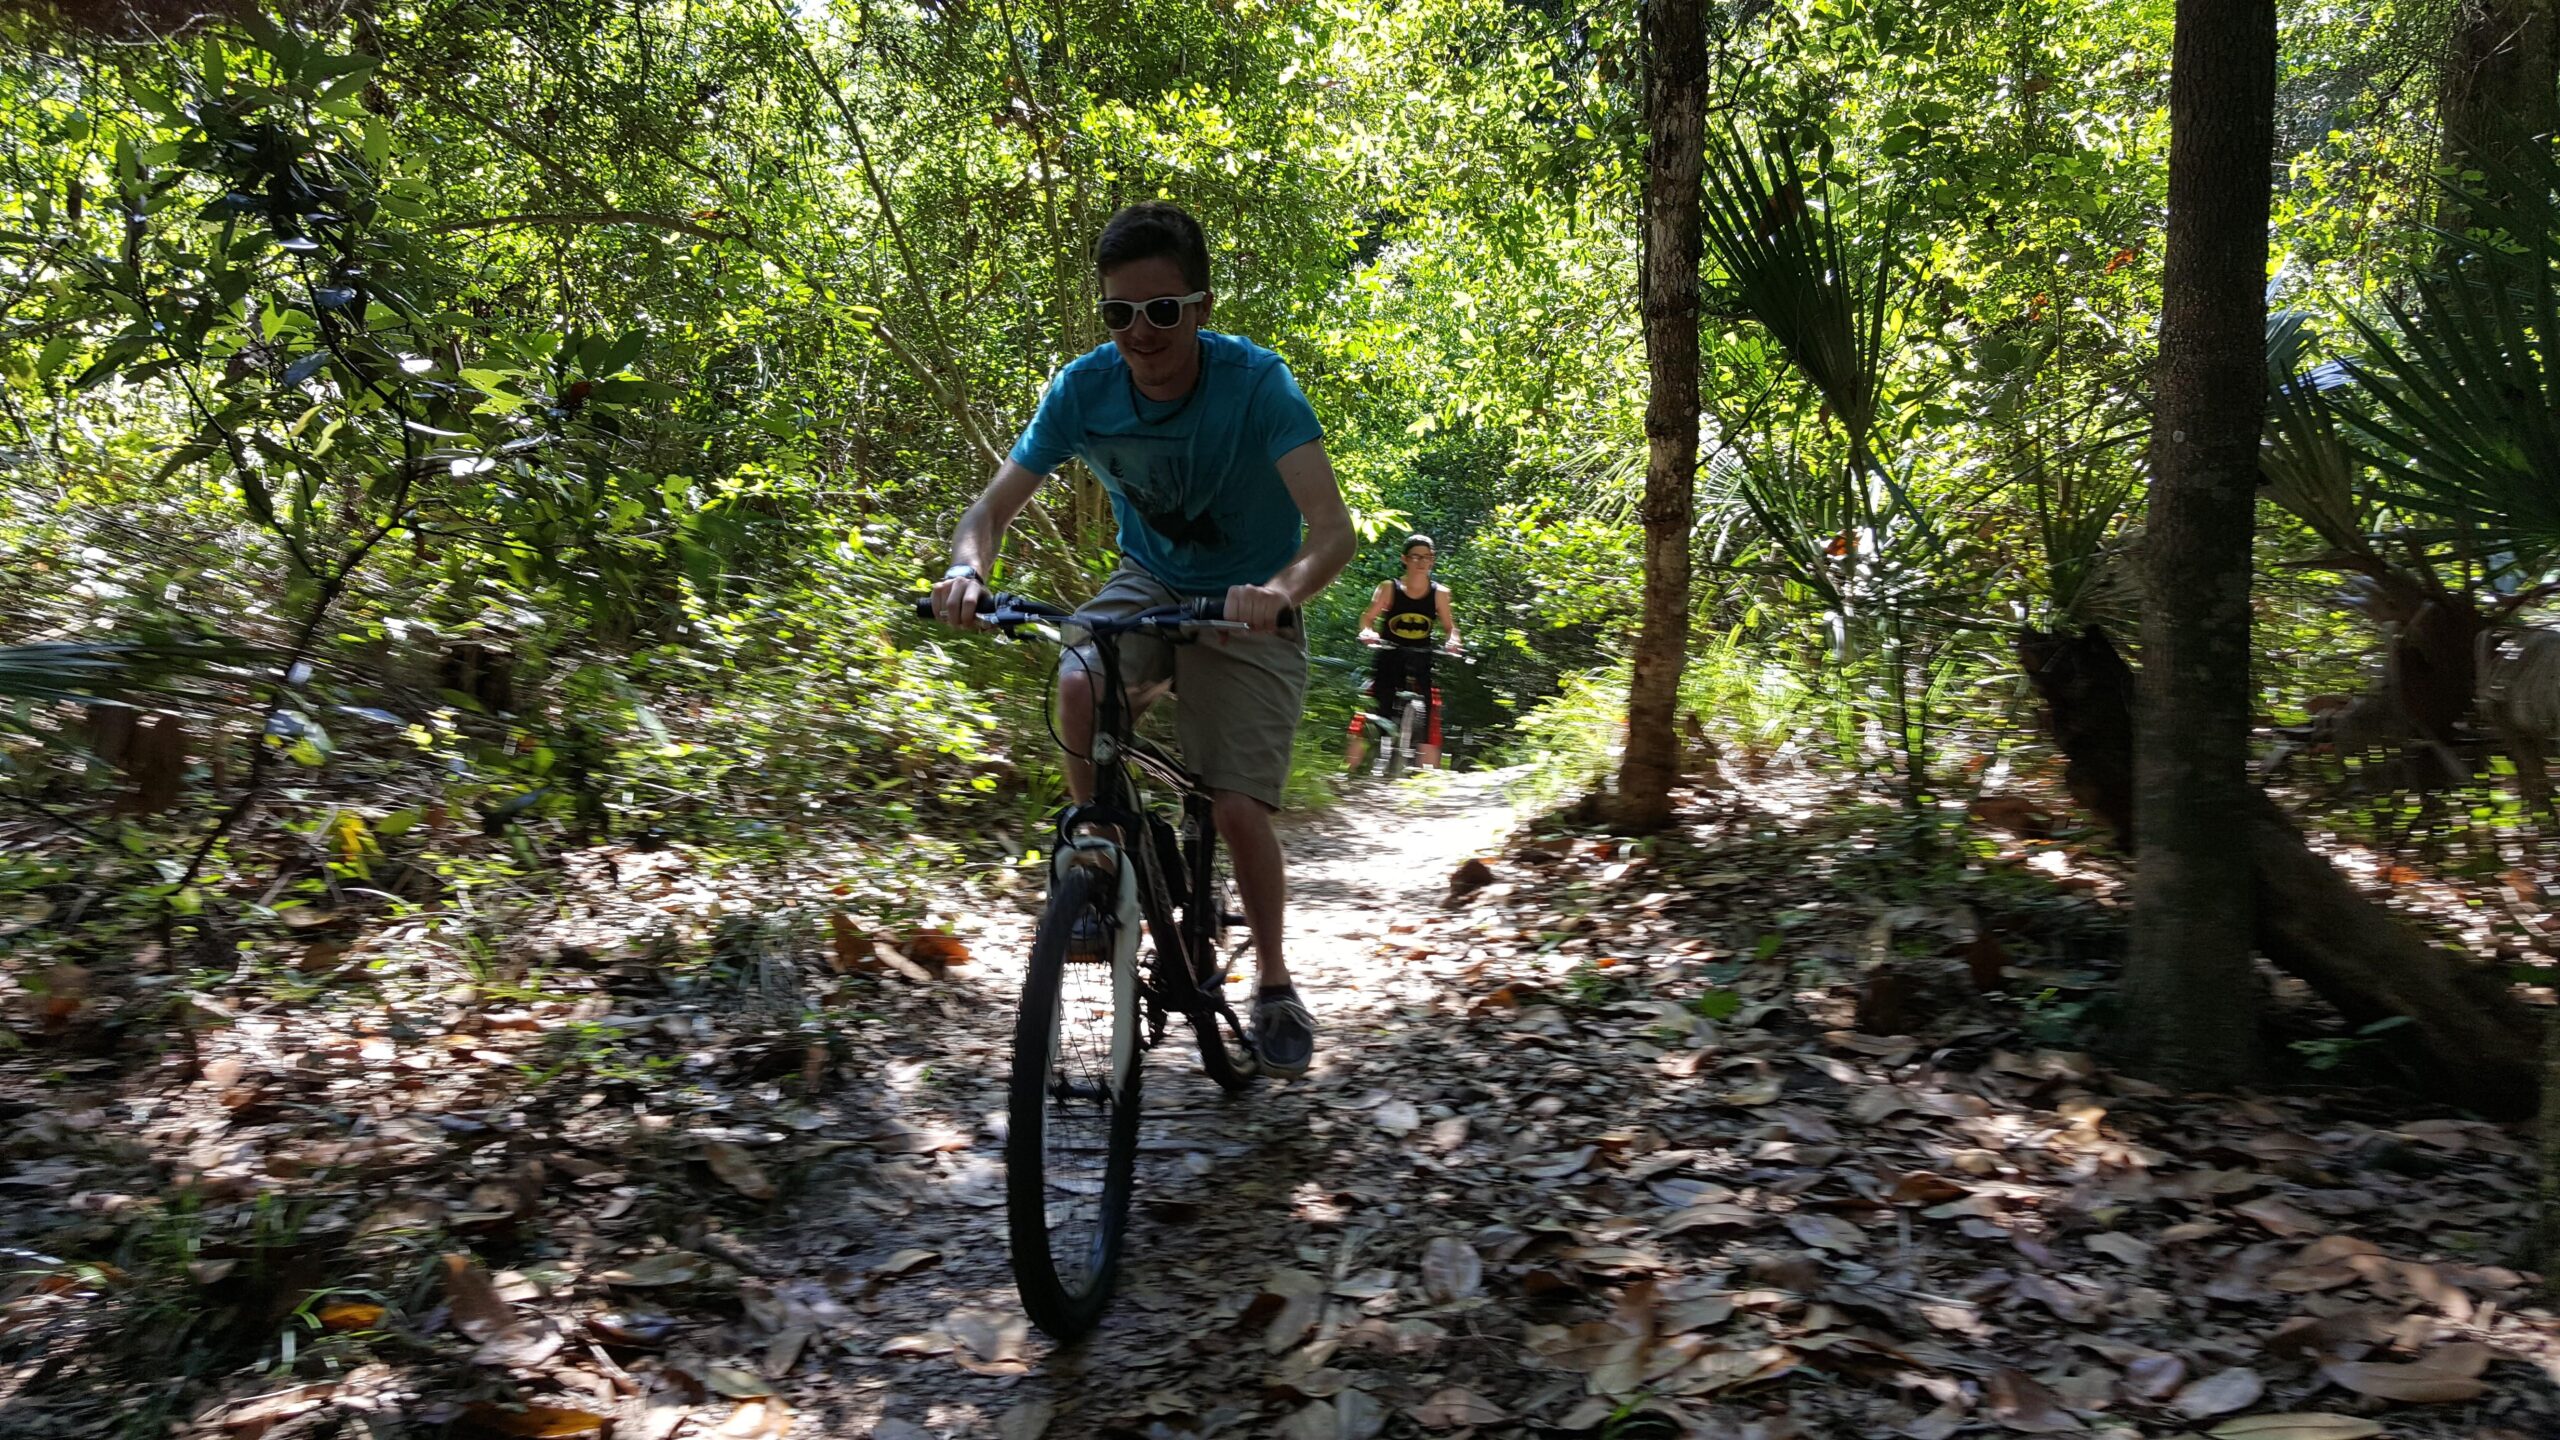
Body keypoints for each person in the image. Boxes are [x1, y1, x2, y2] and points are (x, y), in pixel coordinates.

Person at [928, 201, 1355, 1080]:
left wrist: (1274, 595)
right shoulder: (1082, 389)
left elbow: (1333, 532)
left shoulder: (1258, 384)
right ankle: (1100, 864)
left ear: (1200, 307)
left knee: (1236, 804)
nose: (1140, 332)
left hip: (1248, 600)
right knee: (1078, 680)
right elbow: (992, 510)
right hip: (1149, 582)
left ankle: (1275, 981)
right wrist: (967, 571)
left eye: (1162, 310)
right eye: (1119, 313)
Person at [1347, 534, 1461, 770]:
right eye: (1415, 556)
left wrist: (1453, 642)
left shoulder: (1440, 593)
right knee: (1373, 707)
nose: (1421, 562)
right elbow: (1367, 618)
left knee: (1431, 709)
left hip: (1422, 658)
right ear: (1404, 559)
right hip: (1389, 655)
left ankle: (1427, 778)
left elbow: (1451, 628)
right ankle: (1348, 771)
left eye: (1426, 557)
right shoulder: (1390, 588)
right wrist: (1368, 633)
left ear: (1433, 560)